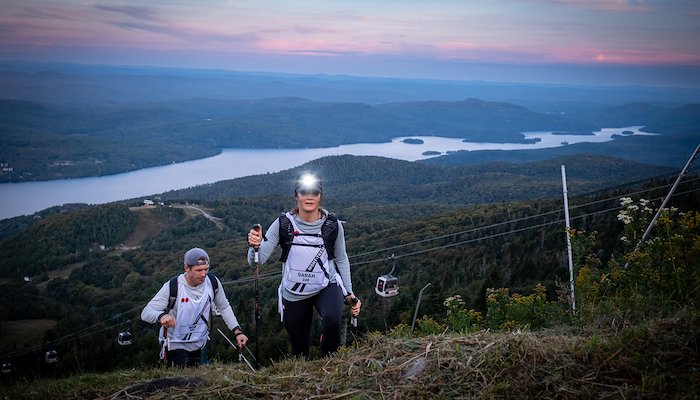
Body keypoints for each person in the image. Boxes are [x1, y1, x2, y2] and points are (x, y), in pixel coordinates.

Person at [247, 172, 361, 358]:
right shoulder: (283, 224)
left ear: (320, 197)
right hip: (294, 291)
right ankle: (303, 371)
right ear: (296, 195)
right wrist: (254, 246)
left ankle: (329, 362)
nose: (309, 196)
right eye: (304, 192)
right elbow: (258, 261)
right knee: (299, 348)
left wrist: (349, 292)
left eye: (315, 192)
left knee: (333, 319)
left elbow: (341, 258)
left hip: (326, 284)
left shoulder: (333, 225)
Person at [141, 247, 248, 367]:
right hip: (175, 343)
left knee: (195, 379)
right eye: (199, 270)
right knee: (181, 379)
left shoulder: (212, 283)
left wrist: (237, 332)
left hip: (199, 343)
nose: (203, 274)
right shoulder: (173, 286)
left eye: (206, 269)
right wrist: (161, 316)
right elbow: (146, 312)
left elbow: (223, 307)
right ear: (187, 268)